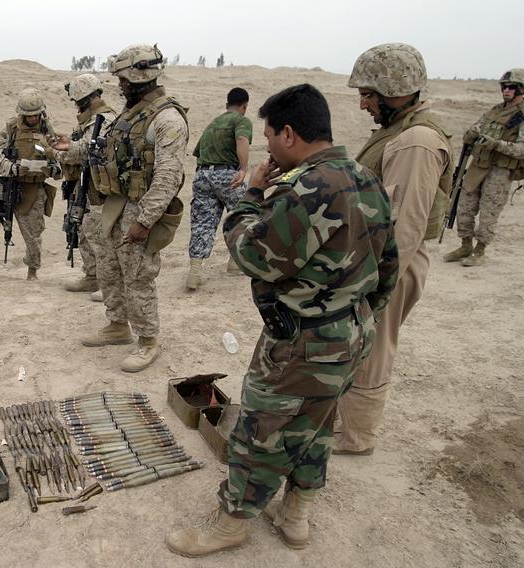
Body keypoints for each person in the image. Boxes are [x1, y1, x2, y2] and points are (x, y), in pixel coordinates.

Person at [165, 84, 398, 557]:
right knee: (315, 424)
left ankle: (231, 523)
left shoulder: (306, 188)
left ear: (288, 134)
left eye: (269, 135)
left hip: (302, 343)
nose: (267, 146)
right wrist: (355, 317)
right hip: (351, 333)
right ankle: (295, 516)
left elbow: (254, 257)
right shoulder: (362, 176)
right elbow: (389, 265)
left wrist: (251, 193)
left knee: (261, 431)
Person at [335, 43, 452, 456]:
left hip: (390, 263)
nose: (363, 103)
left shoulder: (416, 140)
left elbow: (406, 224)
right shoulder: (399, 131)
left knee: (372, 348)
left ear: (395, 90)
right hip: (372, 257)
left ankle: (356, 437)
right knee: (355, 342)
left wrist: (376, 283)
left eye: (369, 94)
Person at [81, 43, 189, 373]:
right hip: (116, 205)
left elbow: (168, 177)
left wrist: (144, 222)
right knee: (110, 270)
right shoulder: (132, 114)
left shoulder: (168, 120)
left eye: (124, 80)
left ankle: (148, 340)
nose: (120, 86)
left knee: (139, 278)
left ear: (140, 78)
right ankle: (117, 325)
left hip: (141, 212)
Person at [0, 88, 60, 282]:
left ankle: (32, 271)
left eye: (36, 115)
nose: (33, 119)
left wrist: (52, 167)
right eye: (29, 116)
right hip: (8, 184)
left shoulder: (49, 132)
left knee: (33, 234)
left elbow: (60, 163)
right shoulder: (10, 129)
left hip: (33, 189)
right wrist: (12, 168)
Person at [444, 68, 524, 267]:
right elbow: (474, 131)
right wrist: (470, 134)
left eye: (511, 87)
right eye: (504, 86)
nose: (506, 90)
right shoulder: (494, 111)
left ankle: (480, 250)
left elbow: (522, 149)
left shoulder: (521, 116)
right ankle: (465, 245)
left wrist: (497, 145)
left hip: (500, 170)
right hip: (478, 166)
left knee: (489, 211)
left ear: (521, 89)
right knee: (464, 206)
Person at [52, 74, 117, 295]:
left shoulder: (104, 119)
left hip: (100, 189)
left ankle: (109, 283)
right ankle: (92, 277)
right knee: (84, 232)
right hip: (86, 185)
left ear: (82, 97)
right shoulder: (90, 120)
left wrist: (63, 150)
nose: (75, 105)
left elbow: (86, 151)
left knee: (101, 239)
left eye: (76, 100)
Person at [186, 87, 252, 290]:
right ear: (244, 106)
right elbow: (242, 140)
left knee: (202, 223)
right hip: (227, 175)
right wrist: (243, 169)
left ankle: (195, 272)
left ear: (226, 105)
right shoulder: (241, 120)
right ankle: (236, 263)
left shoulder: (213, 123)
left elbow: (198, 152)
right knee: (245, 214)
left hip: (202, 175)